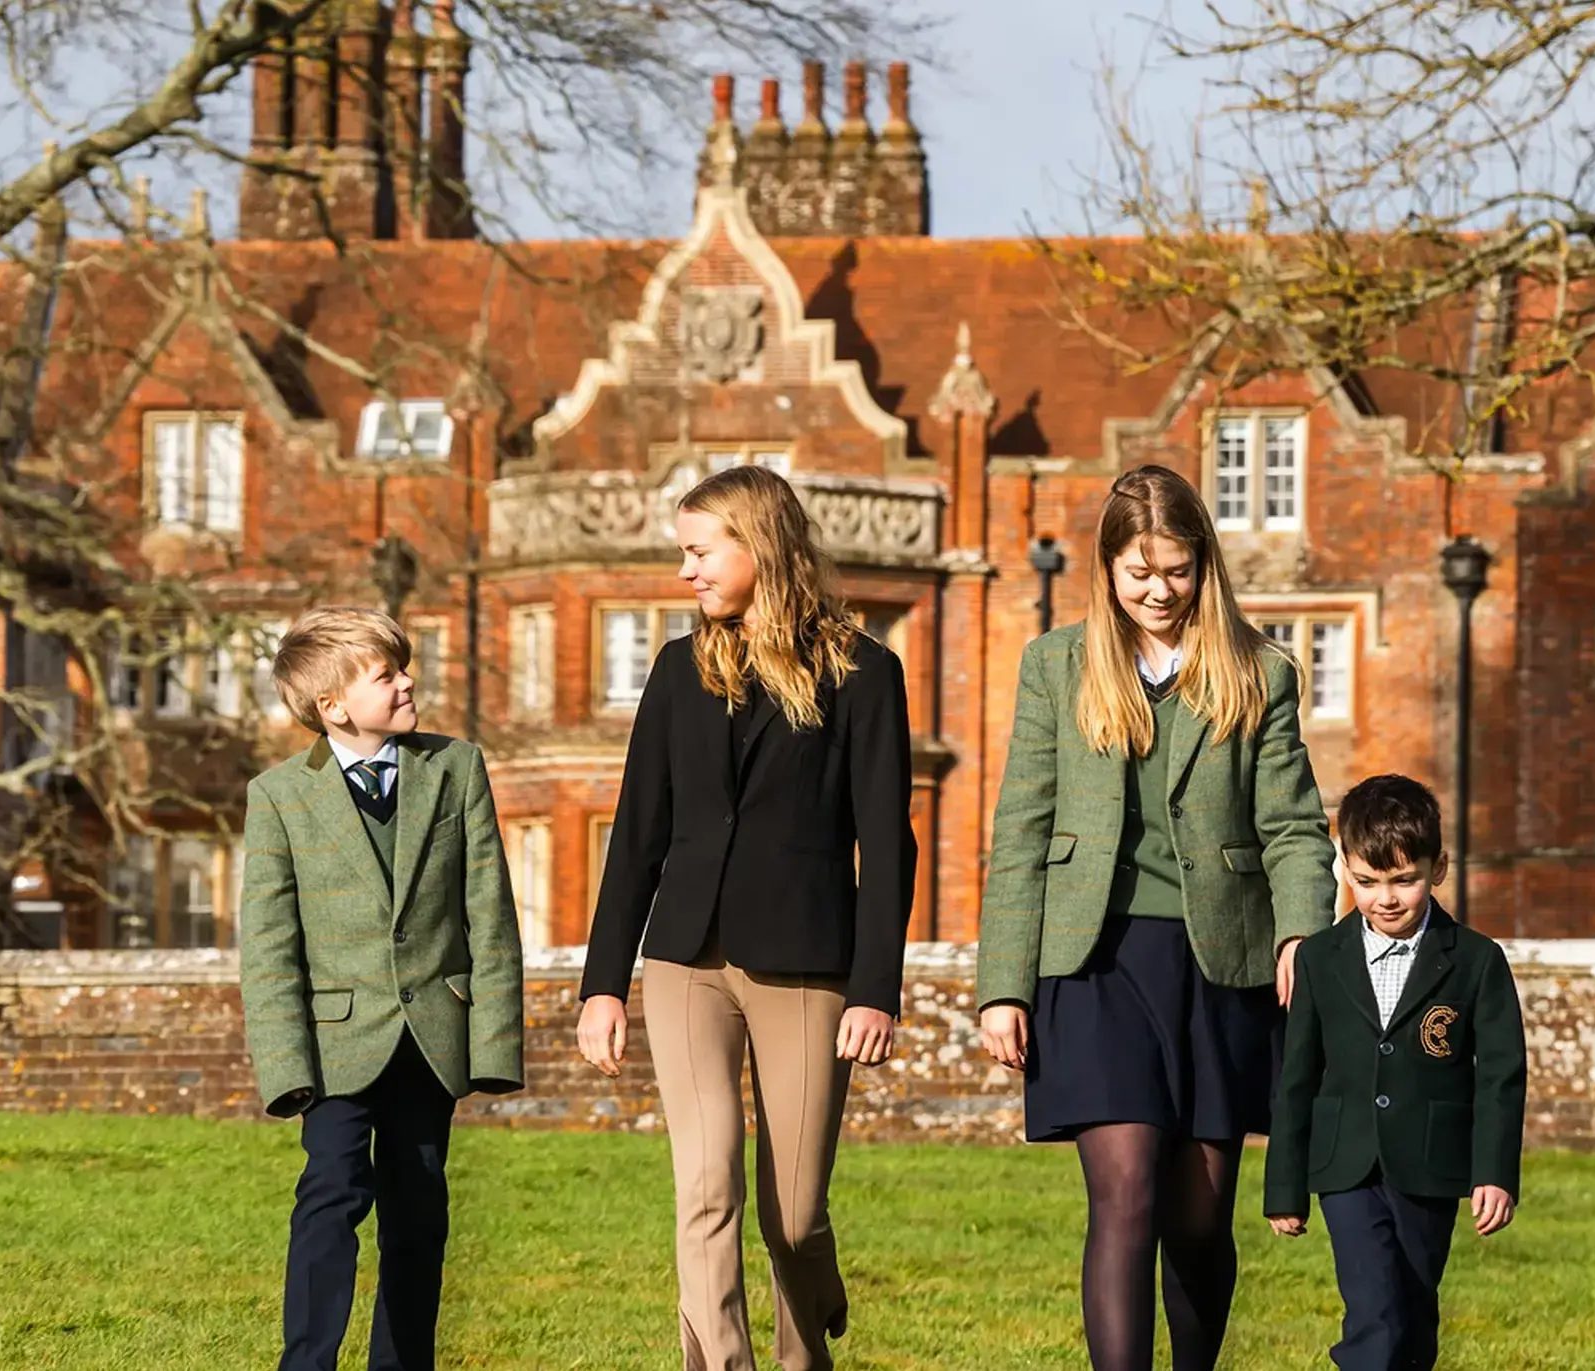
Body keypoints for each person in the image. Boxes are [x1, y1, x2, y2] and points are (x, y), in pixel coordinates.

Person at [975, 462, 1338, 1371]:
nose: (1158, 591)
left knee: (1199, 1215)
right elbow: (1020, 827)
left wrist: (1300, 929)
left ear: (1203, 565)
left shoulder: (1261, 671)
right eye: (1138, 573)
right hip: (1090, 963)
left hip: (1222, 965)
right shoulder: (1054, 666)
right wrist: (1001, 987)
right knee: (1127, 1189)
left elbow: (1294, 826)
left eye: (1176, 571)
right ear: (1106, 569)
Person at [574, 463, 917, 1371]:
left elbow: (887, 847)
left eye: (699, 550)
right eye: (682, 553)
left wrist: (876, 988)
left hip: (807, 964)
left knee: (793, 1213)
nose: (686, 571)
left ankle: (807, 1337)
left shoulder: (865, 673)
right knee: (707, 1182)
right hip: (684, 960)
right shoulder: (676, 671)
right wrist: (602, 983)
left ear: (758, 544)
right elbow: (637, 834)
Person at [238, 606, 526, 1371]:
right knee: (329, 1195)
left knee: (418, 1208)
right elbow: (268, 947)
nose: (407, 683)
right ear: (333, 705)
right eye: (386, 674)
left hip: (432, 1035)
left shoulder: (456, 766)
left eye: (404, 668)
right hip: (334, 1045)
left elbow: (489, 912)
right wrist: (284, 1066)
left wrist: (492, 1044)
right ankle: (307, 1362)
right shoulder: (278, 796)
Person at [1264, 774, 1528, 1371]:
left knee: (1412, 1313)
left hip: (1432, 1166)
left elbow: (1501, 1078)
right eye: (1367, 881)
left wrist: (1494, 1172)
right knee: (1375, 1311)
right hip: (1345, 1168)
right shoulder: (1318, 958)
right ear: (1345, 869)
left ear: (1438, 868)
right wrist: (1284, 1186)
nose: (1385, 898)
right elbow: (1297, 1078)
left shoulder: (1478, 960)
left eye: (1404, 880)